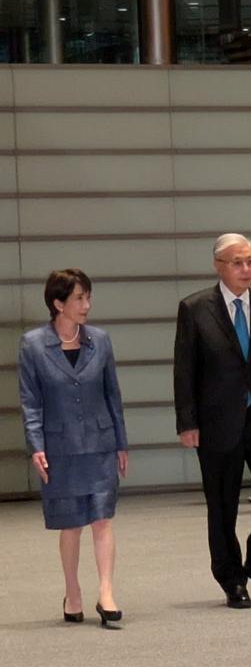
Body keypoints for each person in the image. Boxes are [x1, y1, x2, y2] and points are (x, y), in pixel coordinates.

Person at [173, 234, 251, 609]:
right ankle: (231, 577)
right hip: (217, 421)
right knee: (222, 505)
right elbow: (185, 370)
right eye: (238, 262)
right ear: (219, 266)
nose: (247, 269)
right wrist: (187, 421)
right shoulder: (195, 308)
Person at [19, 269, 129, 629]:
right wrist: (36, 446)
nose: (86, 305)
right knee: (71, 526)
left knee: (102, 518)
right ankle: (73, 592)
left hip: (99, 443)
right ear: (58, 303)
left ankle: (107, 592)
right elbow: (31, 402)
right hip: (59, 448)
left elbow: (113, 395)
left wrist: (121, 443)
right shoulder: (33, 344)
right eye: (79, 298)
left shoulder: (101, 339)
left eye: (88, 297)